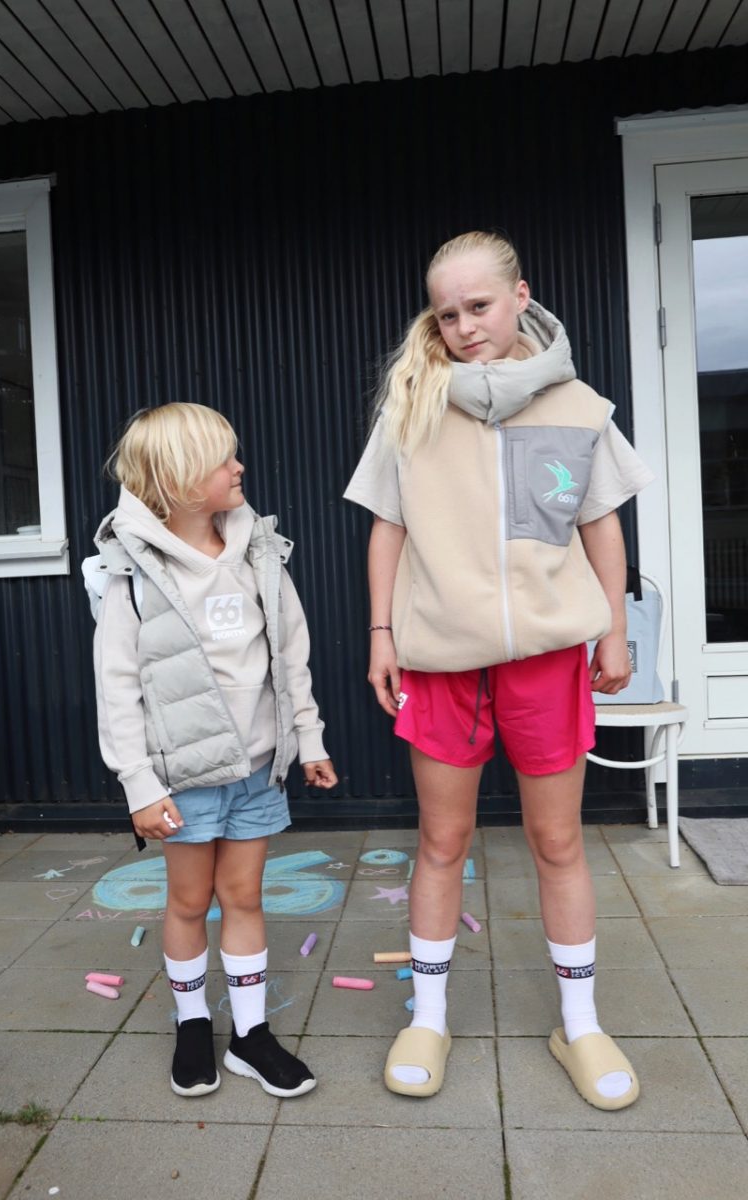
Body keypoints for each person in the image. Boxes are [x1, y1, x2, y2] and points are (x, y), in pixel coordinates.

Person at [344, 231, 653, 1108]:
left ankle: (580, 1025)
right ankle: (429, 1017)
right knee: (443, 842)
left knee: (558, 842)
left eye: (479, 306)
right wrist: (381, 634)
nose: (464, 326)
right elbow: (388, 529)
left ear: (522, 297)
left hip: (548, 662)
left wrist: (614, 630)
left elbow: (600, 524)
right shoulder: (412, 404)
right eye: (447, 314)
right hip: (442, 661)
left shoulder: (580, 406)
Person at [92, 402, 336, 1100]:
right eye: (223, 460)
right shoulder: (131, 572)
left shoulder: (260, 549)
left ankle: (251, 1036)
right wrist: (139, 785)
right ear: (178, 480)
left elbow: (290, 652)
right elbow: (118, 684)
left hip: (258, 767)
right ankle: (193, 1024)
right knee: (190, 900)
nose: (239, 467)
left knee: (244, 896)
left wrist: (309, 738)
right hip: (185, 777)